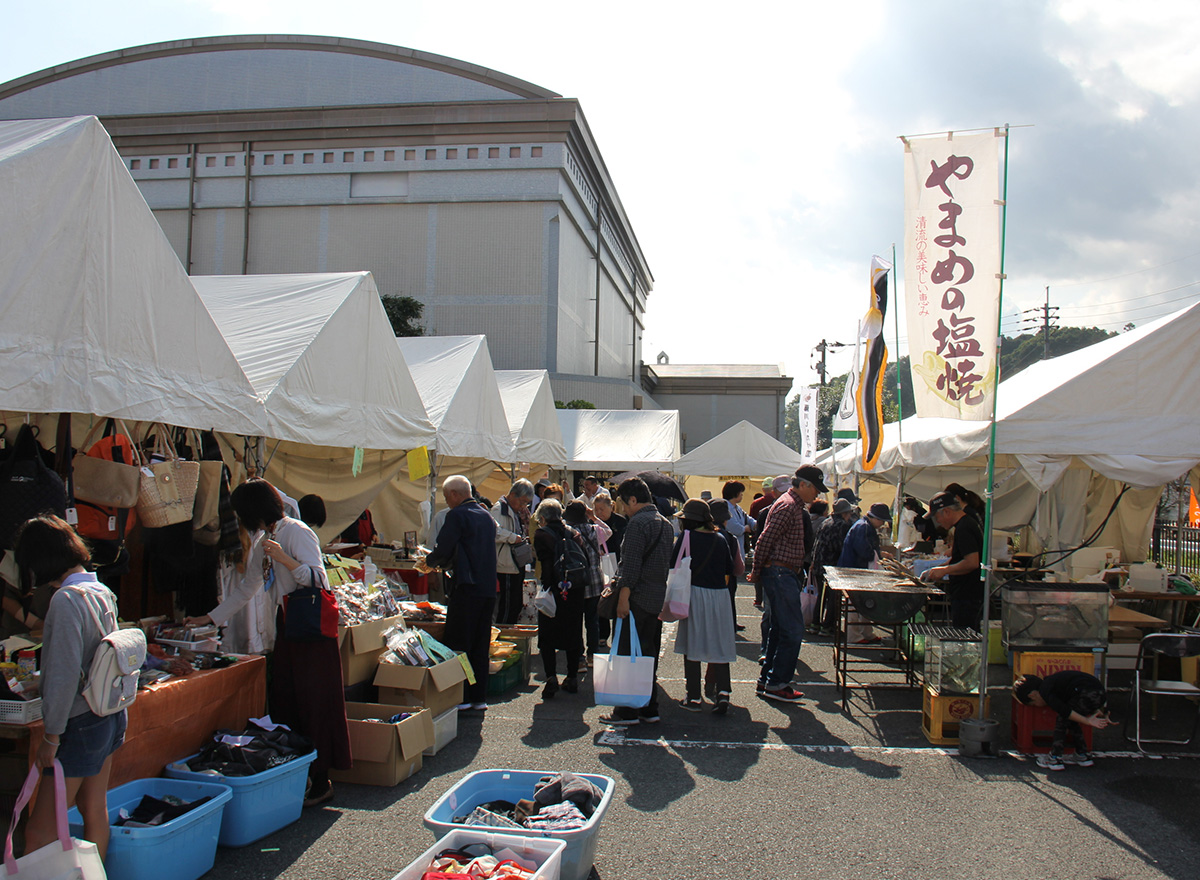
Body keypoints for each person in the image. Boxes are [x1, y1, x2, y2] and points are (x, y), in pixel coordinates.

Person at [186, 479, 350, 807]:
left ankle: (321, 779)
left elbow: (319, 579)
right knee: (288, 702)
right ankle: (299, 773)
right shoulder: (266, 537)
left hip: (310, 630)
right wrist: (210, 618)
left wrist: (285, 560)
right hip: (289, 627)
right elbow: (248, 588)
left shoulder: (296, 531)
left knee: (313, 704)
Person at [14, 516, 125, 860]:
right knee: (94, 810)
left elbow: (62, 676)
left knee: (38, 831)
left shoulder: (65, 600)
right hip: (109, 715)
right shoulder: (100, 589)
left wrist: (51, 736)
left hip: (78, 724)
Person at [749, 465, 827, 703]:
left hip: (781, 572)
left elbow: (767, 540)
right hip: (781, 572)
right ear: (803, 484)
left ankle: (769, 680)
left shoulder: (789, 504)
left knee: (781, 629)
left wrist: (759, 572)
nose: (817, 495)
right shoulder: (788, 506)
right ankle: (777, 682)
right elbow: (765, 539)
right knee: (792, 630)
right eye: (815, 489)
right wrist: (757, 572)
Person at [601, 478, 674, 726]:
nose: (622, 508)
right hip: (655, 598)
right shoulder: (665, 523)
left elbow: (629, 568)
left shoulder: (638, 523)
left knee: (626, 655)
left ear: (633, 500)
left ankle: (626, 711)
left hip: (635, 598)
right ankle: (649, 707)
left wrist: (622, 599)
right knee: (646, 655)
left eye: (623, 502)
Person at [422, 475, 499, 709]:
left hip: (466, 586)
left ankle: (462, 695)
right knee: (480, 641)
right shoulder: (486, 515)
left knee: (460, 641)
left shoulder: (457, 516)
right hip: (487, 587)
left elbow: (443, 547)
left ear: (455, 494)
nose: (447, 502)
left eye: (447, 497)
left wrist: (428, 562)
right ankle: (479, 696)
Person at [673, 500, 736, 715]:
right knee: (719, 644)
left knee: (692, 644)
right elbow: (729, 568)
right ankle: (723, 693)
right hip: (720, 595)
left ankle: (693, 696)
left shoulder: (687, 538)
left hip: (694, 594)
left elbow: (673, 564)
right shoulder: (720, 539)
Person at [533, 500, 588, 698]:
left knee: (547, 635)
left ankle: (551, 678)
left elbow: (545, 564)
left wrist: (547, 587)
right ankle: (572, 678)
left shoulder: (541, 534)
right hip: (574, 588)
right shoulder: (573, 533)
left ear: (543, 517)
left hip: (554, 589)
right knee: (573, 632)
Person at [1014, 671, 1111, 770]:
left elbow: (1065, 711)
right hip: (1099, 692)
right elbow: (1089, 697)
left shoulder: (1045, 691)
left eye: (1034, 704)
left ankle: (1055, 757)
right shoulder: (1054, 683)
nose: (1037, 706)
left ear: (1033, 695)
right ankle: (1081, 755)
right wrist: (1103, 712)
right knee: (1072, 721)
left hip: (1084, 693)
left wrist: (1087, 721)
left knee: (1062, 720)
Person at [922, 491, 984, 628]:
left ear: (947, 512)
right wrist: (938, 568)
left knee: (966, 636)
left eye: (937, 517)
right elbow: (959, 558)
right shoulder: (964, 525)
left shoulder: (964, 528)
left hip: (969, 596)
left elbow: (972, 562)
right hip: (966, 594)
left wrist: (944, 570)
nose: (937, 521)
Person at [563, 501, 611, 667]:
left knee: (575, 622)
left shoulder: (567, 532)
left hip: (575, 582)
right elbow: (608, 531)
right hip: (594, 580)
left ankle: (579, 658)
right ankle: (593, 654)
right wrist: (594, 517)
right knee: (592, 620)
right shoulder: (594, 530)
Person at [809, 498, 857, 636]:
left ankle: (815, 624)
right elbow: (841, 547)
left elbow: (816, 543)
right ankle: (827, 626)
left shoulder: (826, 521)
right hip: (832, 566)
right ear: (844, 513)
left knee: (821, 597)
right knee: (833, 598)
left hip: (819, 563)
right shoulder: (841, 525)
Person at [491, 479, 535, 625]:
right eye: (522, 502)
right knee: (507, 606)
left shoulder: (514, 510)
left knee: (515, 604)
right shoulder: (499, 509)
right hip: (505, 565)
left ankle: (510, 634)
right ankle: (503, 635)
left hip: (515, 563)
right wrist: (512, 537)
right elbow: (493, 532)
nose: (523, 506)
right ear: (513, 495)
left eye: (526, 503)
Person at [721, 481, 755, 553]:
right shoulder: (725, 508)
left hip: (740, 547)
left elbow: (747, 518)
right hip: (731, 547)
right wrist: (745, 529)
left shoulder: (737, 508)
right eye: (740, 493)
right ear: (735, 494)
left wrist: (755, 524)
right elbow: (733, 527)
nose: (742, 495)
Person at [593, 492, 627, 561]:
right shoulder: (593, 523)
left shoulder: (620, 521)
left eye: (601, 509)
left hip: (618, 558)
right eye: (596, 510)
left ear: (611, 507)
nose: (598, 512)